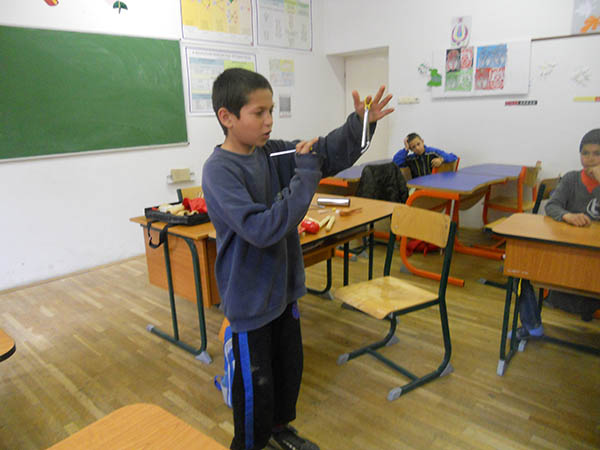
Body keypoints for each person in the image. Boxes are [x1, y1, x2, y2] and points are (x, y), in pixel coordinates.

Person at [202, 68, 393, 450]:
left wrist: (361, 124)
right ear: (227, 117)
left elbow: (323, 151)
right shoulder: (219, 171)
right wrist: (305, 177)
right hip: (251, 302)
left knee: (287, 373)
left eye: (272, 110)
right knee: (255, 390)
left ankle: (280, 430)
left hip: (283, 291)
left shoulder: (271, 152)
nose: (269, 121)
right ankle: (251, 444)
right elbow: (261, 229)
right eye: (259, 113)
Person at [515, 128, 600, 340]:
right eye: (585, 153)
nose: (590, 159)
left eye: (597, 154)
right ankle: (532, 325)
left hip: (594, 258)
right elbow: (552, 206)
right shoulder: (571, 179)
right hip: (568, 252)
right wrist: (567, 216)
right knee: (519, 268)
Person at [392, 132, 457, 178]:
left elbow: (453, 157)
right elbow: (396, 162)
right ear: (410, 149)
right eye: (413, 147)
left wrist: (441, 159)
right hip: (418, 187)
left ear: (422, 142)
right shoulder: (411, 159)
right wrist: (405, 149)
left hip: (435, 185)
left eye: (418, 144)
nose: (417, 148)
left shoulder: (432, 152)